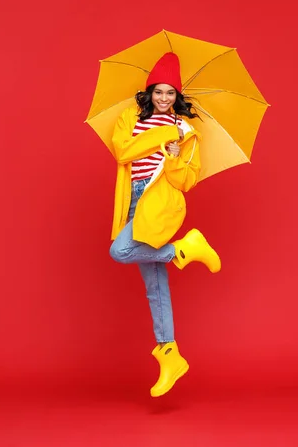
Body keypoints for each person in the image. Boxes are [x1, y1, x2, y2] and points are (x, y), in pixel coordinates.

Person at [108, 52, 221, 397]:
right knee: (155, 286)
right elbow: (122, 151)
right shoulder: (131, 117)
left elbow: (187, 180)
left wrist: (172, 157)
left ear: (178, 96)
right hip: (132, 202)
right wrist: (160, 139)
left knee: (120, 250)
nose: (163, 99)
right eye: (158, 92)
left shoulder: (187, 132)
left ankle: (184, 249)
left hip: (160, 204)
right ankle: (170, 354)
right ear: (149, 92)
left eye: (170, 94)